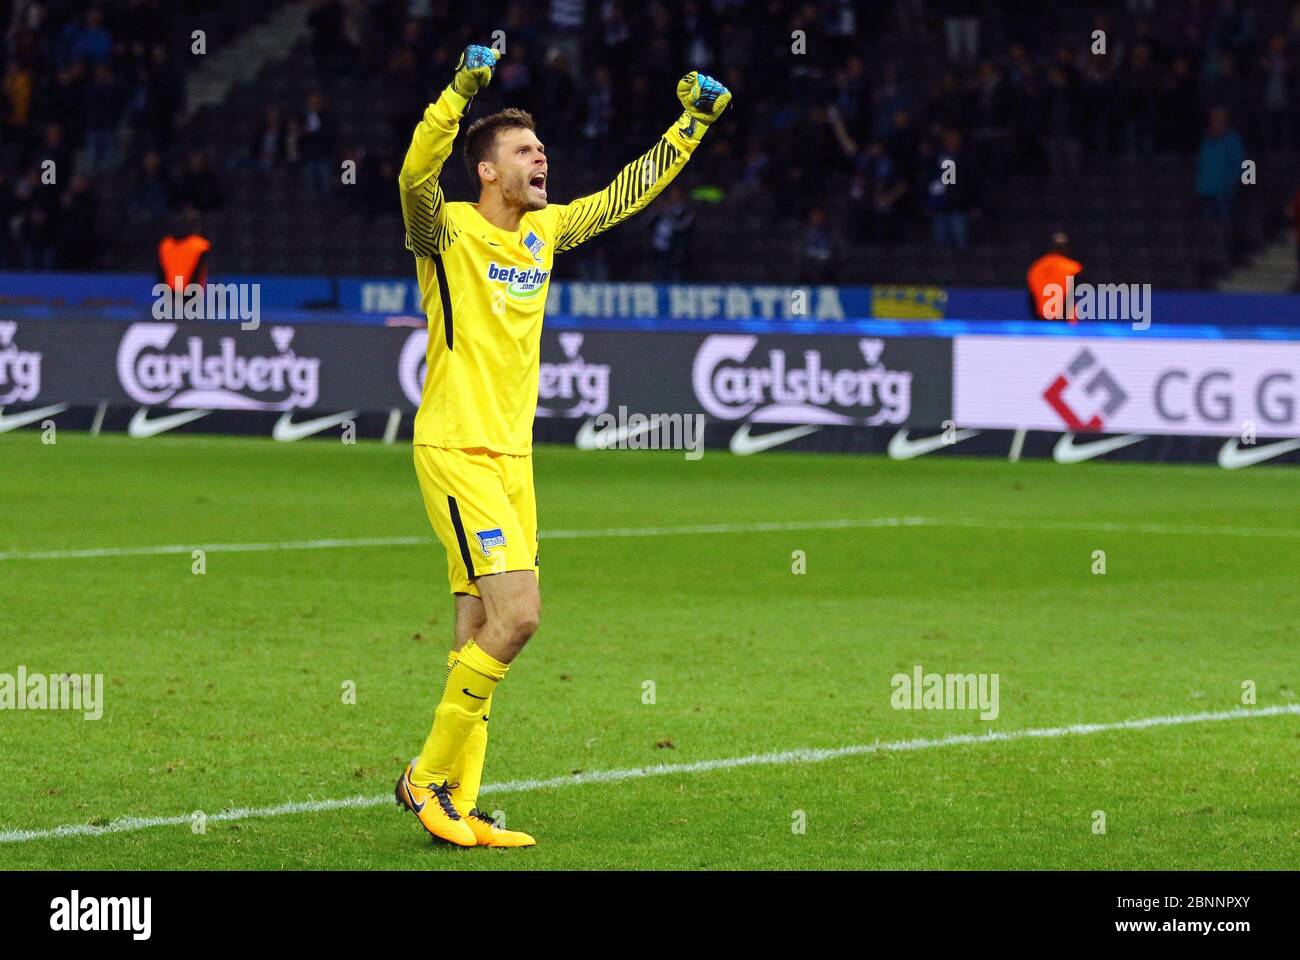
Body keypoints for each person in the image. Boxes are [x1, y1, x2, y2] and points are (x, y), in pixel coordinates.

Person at [393, 45, 730, 849]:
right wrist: (459, 93)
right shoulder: (446, 232)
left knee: (476, 629)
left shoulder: (545, 232)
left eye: (540, 148)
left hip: (514, 462)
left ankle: (457, 809)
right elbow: (412, 179)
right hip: (457, 448)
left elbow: (623, 196)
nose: (540, 156)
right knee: (520, 617)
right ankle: (426, 779)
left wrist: (691, 126)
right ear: (484, 171)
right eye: (521, 149)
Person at [1026, 231, 1083, 322]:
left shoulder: (1036, 267)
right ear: (1067, 248)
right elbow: (1072, 298)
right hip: (1064, 323)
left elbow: (1031, 298)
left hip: (1041, 320)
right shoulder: (1073, 268)